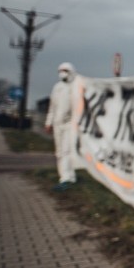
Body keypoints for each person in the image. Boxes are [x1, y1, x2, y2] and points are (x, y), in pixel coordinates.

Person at [45, 62, 77, 190]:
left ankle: (68, 178)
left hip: (70, 124)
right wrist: (49, 122)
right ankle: (63, 176)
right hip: (58, 124)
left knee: (67, 151)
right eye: (60, 70)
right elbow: (52, 107)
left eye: (65, 70)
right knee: (59, 152)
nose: (62, 73)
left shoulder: (75, 87)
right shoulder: (57, 87)